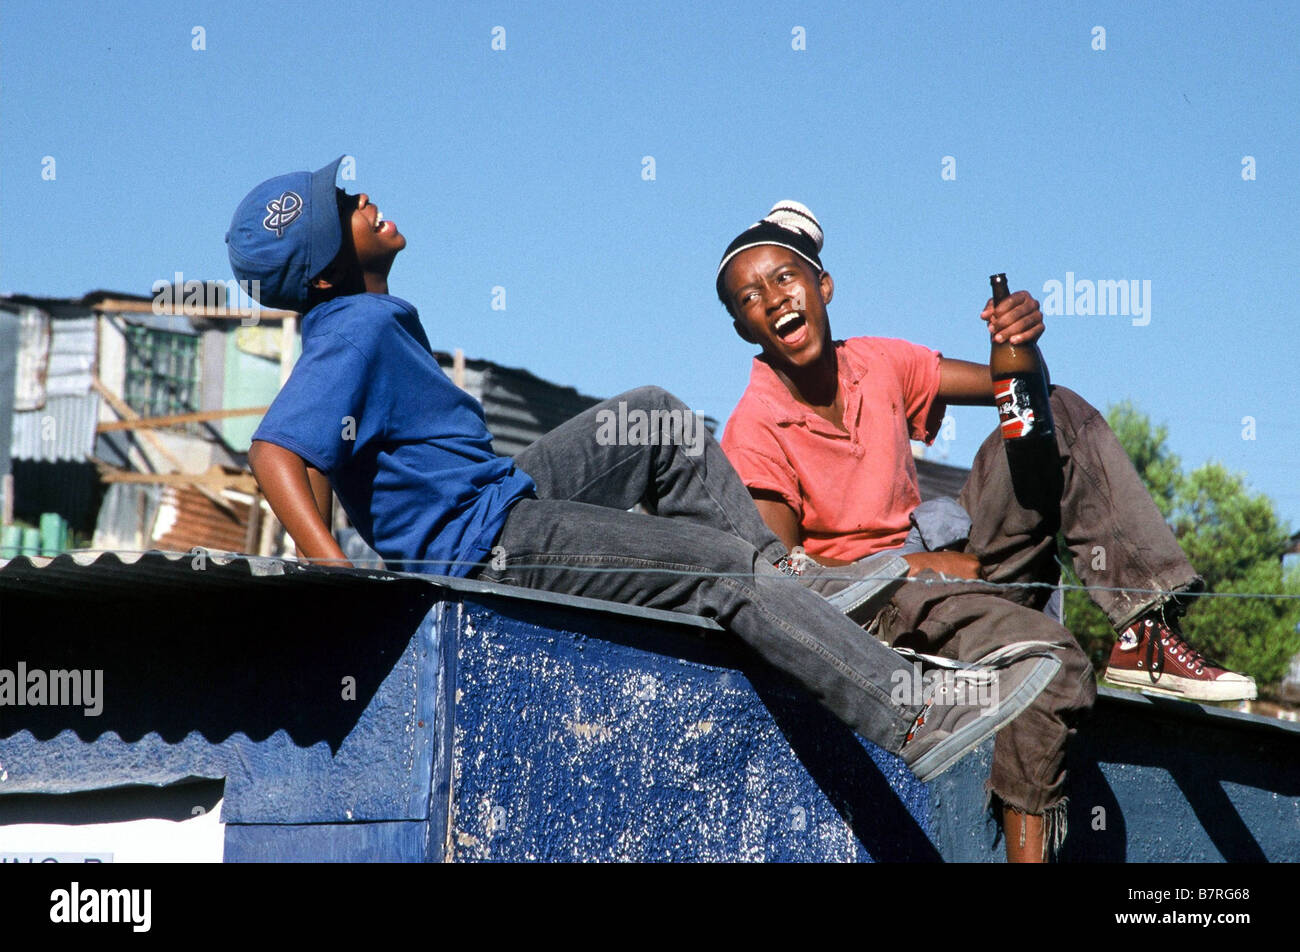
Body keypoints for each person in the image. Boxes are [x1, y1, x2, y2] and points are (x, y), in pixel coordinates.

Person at [223, 157, 1059, 806]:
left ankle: (793, 581)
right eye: (345, 206)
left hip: (497, 498)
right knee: (718, 568)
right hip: (487, 545)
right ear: (328, 263)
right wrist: (330, 569)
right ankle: (913, 714)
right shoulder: (353, 327)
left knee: (656, 418)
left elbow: (325, 453)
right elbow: (278, 451)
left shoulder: (362, 321)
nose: (363, 198)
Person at [714, 200, 1257, 861]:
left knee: (1049, 410)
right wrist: (910, 570)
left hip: (954, 567)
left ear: (822, 287)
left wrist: (1017, 346)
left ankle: (1143, 633)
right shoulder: (756, 429)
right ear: (745, 328)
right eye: (749, 296)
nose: (771, 299)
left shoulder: (880, 362)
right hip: (879, 603)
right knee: (1052, 663)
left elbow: (1016, 395)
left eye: (782, 278)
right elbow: (789, 586)